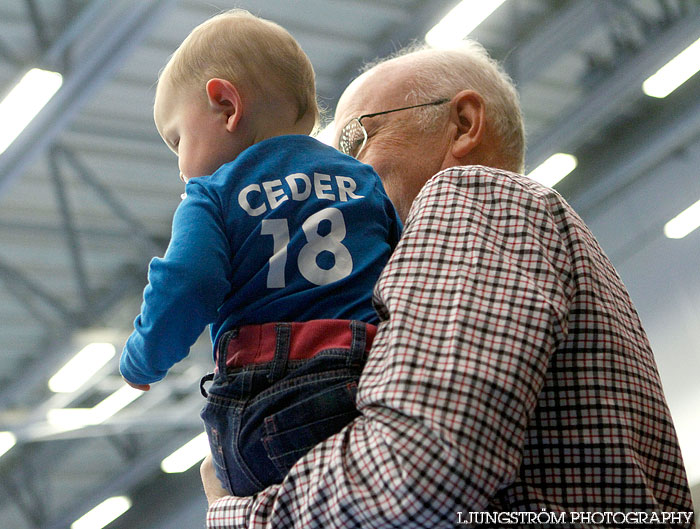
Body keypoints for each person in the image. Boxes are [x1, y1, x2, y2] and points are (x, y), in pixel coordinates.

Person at [201, 40, 696, 528]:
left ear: (462, 125)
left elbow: (415, 471)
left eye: (352, 143)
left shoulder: (474, 195)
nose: (335, 176)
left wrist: (237, 517)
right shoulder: (547, 249)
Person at [119, 9, 402, 496]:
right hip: (369, 384)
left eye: (177, 140)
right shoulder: (363, 179)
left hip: (263, 397)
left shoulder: (212, 193)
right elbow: (403, 272)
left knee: (227, 486)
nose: (181, 166)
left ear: (225, 105)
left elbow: (189, 281)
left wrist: (142, 359)